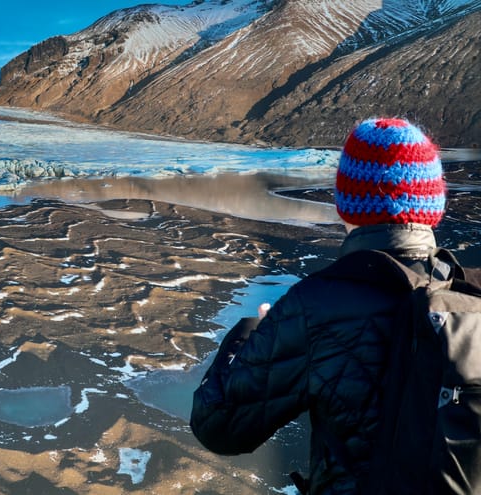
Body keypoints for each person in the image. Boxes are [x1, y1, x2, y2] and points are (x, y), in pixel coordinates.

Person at [189, 117, 462, 493]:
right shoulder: (469, 300)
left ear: (346, 203)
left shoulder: (315, 306)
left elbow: (219, 427)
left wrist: (252, 333)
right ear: (433, 202)